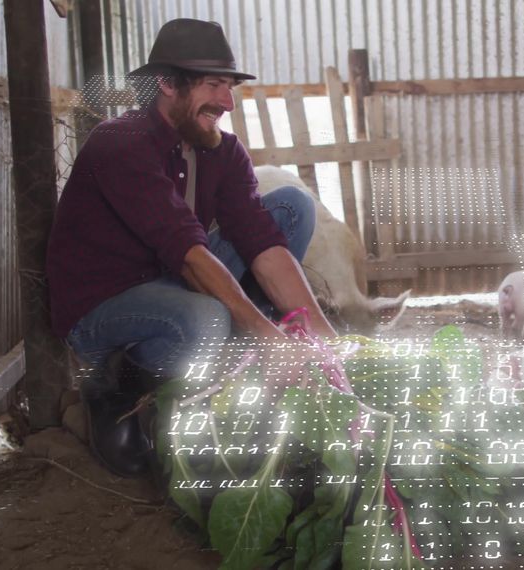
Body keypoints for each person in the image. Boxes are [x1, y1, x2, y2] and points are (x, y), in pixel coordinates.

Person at [46, 18, 336, 477]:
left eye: (229, 87)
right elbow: (187, 251)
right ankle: (115, 386)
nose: (227, 102)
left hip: (172, 280)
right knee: (206, 319)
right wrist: (269, 337)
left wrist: (326, 342)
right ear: (167, 83)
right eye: (213, 86)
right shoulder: (120, 142)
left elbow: (261, 242)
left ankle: (247, 354)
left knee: (291, 209)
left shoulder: (223, 151)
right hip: (106, 305)